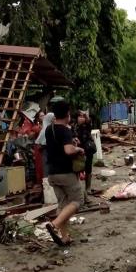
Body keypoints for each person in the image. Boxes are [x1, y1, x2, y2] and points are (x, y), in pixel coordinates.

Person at [44, 100, 84, 246]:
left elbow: (58, 145)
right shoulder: (65, 130)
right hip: (65, 173)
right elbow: (68, 151)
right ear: (67, 114)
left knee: (63, 205)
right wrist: (78, 149)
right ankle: (53, 224)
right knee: (77, 201)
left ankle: (65, 236)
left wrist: (71, 141)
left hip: (52, 173)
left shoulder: (50, 129)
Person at [74, 110, 95, 202]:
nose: (82, 118)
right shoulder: (74, 126)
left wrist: (86, 116)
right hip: (78, 150)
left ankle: (88, 187)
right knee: (79, 169)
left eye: (83, 117)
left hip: (88, 150)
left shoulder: (87, 126)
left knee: (88, 168)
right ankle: (81, 191)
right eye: (80, 116)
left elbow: (89, 122)